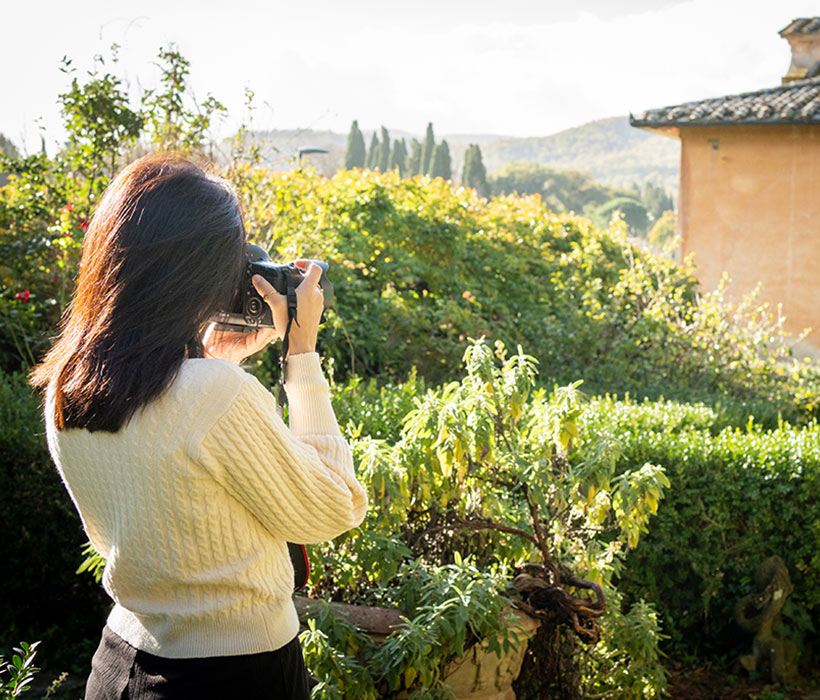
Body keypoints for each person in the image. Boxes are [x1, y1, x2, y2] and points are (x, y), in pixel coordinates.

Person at [30, 153, 368, 699]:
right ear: (197, 272)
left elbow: (161, 493)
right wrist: (301, 356)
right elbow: (334, 507)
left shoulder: (66, 385)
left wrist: (214, 356)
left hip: (119, 664)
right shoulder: (214, 392)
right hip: (234, 675)